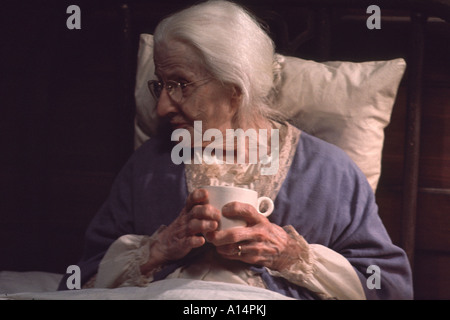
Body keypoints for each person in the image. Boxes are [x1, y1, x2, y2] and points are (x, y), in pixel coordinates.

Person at [58, 0, 413, 299]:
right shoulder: (150, 164)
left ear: (235, 89)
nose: (162, 107)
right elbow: (79, 283)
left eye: (180, 84)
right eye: (160, 86)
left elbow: (390, 288)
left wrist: (290, 256)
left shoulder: (329, 171)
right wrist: (159, 249)